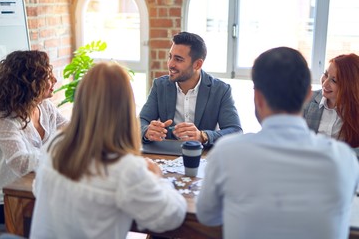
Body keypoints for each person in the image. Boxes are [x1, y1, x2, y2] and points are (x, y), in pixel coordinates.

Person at [196, 47, 359, 239]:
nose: (327, 84)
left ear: (257, 97)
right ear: (308, 94)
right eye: (326, 77)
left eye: (334, 80)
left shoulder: (227, 152)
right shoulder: (344, 159)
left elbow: (207, 216)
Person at [30, 62, 187, 238]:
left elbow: (38, 189)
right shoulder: (126, 168)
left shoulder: (55, 144)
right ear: (126, 108)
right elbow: (171, 217)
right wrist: (157, 177)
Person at [0, 50, 68, 225]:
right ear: (30, 82)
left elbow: (73, 130)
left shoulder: (45, 107)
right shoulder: (5, 119)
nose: (54, 80)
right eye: (48, 76)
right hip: (8, 200)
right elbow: (21, 161)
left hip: (36, 190)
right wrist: (64, 157)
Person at [139, 32, 242, 148]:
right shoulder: (160, 86)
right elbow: (140, 122)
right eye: (170, 57)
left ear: (197, 64)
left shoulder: (221, 90)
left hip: (203, 156)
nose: (170, 64)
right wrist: (147, 131)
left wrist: (202, 136)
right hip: (167, 154)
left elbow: (235, 131)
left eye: (178, 59)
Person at [303, 53, 359, 156]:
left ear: (349, 86)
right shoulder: (306, 101)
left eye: (334, 80)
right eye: (325, 75)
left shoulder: (356, 110)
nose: (325, 84)